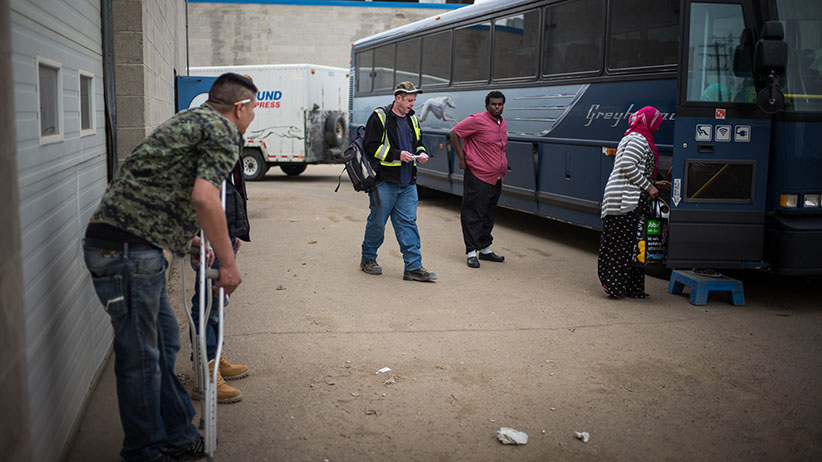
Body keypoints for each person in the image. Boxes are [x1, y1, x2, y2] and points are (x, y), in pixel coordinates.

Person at [82, 72, 256, 462]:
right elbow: (205, 198)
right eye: (253, 110)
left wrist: (188, 241)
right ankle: (144, 451)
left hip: (128, 245)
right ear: (240, 107)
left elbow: (156, 190)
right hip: (124, 252)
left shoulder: (189, 120)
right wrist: (228, 264)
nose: (252, 118)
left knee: (163, 341)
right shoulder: (222, 130)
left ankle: (177, 434)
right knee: (141, 358)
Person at [360, 81, 437, 282]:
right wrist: (397, 155)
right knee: (377, 223)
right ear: (398, 98)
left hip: (407, 182)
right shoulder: (380, 116)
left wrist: (421, 153)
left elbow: (419, 143)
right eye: (409, 100)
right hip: (384, 182)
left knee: (408, 224)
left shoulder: (413, 118)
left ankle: (413, 267)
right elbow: (371, 146)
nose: (413, 104)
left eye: (414, 100)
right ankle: (368, 258)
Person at [189, 159, 250, 404]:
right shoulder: (214, 142)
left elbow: (231, 187)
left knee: (218, 303)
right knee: (208, 304)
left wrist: (233, 231)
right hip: (210, 230)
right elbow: (202, 193)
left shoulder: (230, 144)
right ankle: (206, 371)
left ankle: (215, 357)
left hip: (224, 228)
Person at [598, 106, 669, 299]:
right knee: (622, 245)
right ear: (649, 122)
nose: (658, 128)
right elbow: (627, 165)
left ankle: (631, 288)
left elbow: (634, 168)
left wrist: (654, 183)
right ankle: (614, 285)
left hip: (628, 197)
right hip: (624, 200)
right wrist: (649, 187)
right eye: (656, 124)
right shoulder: (638, 139)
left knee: (635, 244)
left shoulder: (635, 137)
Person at [450, 91, 508, 268]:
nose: (497, 107)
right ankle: (471, 252)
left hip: (496, 177)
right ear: (487, 105)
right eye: (493, 104)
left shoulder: (502, 123)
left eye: (500, 104)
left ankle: (485, 249)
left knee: (488, 214)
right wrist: (462, 158)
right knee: (473, 214)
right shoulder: (476, 120)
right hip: (478, 175)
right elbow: (454, 133)